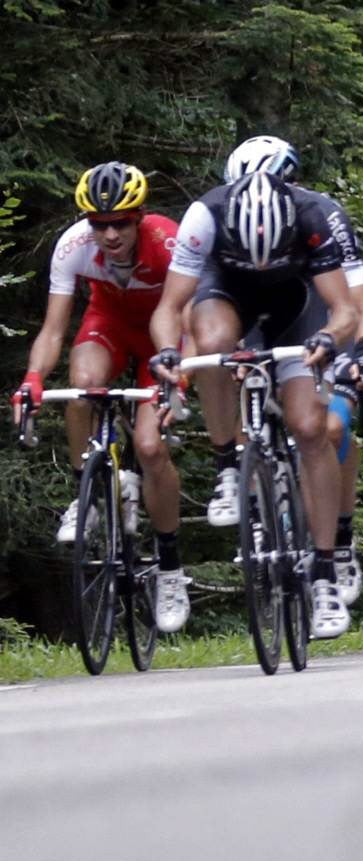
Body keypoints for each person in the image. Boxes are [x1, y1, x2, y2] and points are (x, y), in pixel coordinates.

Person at [151, 145, 363, 641]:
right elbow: (170, 306)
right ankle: (227, 467)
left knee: (310, 428)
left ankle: (322, 573)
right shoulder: (205, 214)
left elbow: (344, 310)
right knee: (211, 345)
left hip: (294, 307)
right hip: (225, 296)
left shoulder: (314, 214)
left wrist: (328, 339)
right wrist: (169, 351)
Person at [18, 163, 191, 636]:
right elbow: (54, 329)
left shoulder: (168, 241)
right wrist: (33, 377)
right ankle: (89, 494)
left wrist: (181, 377)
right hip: (109, 324)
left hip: (164, 337)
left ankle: (171, 570)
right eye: (99, 224)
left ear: (139, 218)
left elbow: (189, 319)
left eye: (120, 223)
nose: (109, 234)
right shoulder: (74, 246)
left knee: (152, 448)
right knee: (81, 387)